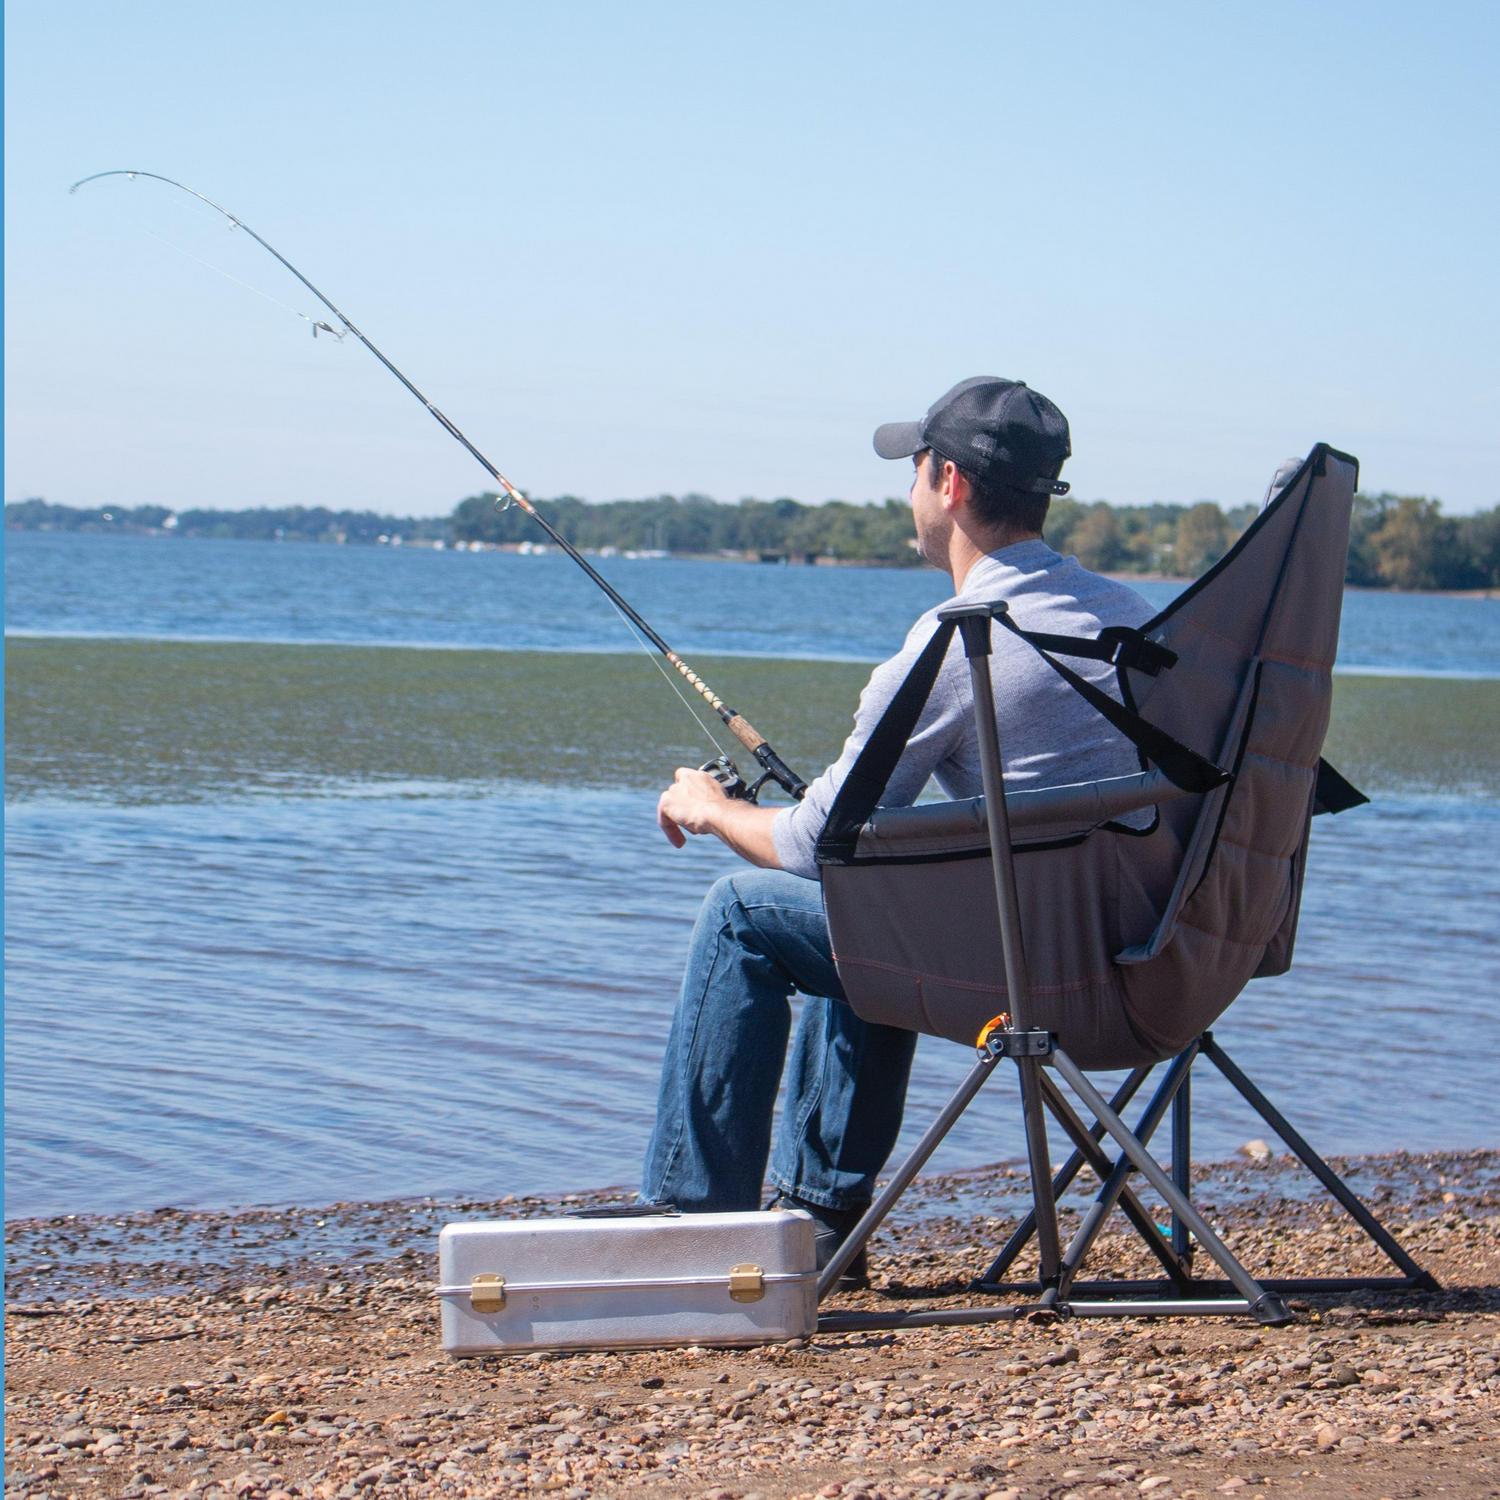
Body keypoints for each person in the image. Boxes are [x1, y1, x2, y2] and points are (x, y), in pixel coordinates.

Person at [641, 377, 1154, 1281]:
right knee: (872, 887)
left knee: (742, 912)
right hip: (1159, 959)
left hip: (1037, 983)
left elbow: (810, 843)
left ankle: (693, 1223)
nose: (908, 490)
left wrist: (713, 810)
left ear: (948, 482)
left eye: (913, 468)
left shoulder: (960, 640)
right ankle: (820, 1215)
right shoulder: (1135, 618)